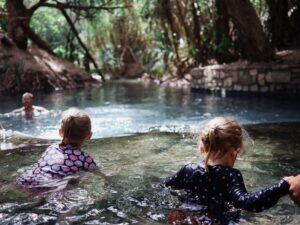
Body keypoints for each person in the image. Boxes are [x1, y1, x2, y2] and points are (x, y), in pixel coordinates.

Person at [163, 117, 292, 224]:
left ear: (202, 148)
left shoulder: (188, 170)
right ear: (235, 152)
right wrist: (282, 186)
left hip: (183, 218)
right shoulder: (231, 175)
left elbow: (165, 185)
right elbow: (247, 203)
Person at [16, 108, 97, 190]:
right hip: (50, 186)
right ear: (89, 136)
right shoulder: (86, 160)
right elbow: (97, 173)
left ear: (60, 132)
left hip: (25, 180)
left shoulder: (51, 148)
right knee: (75, 179)